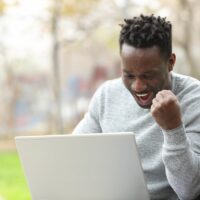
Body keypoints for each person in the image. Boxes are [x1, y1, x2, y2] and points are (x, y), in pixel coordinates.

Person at [73, 14, 200, 200]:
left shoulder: (194, 98)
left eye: (148, 75)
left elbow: (189, 190)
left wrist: (173, 129)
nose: (138, 86)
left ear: (170, 62)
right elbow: (74, 153)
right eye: (129, 75)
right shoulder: (107, 95)